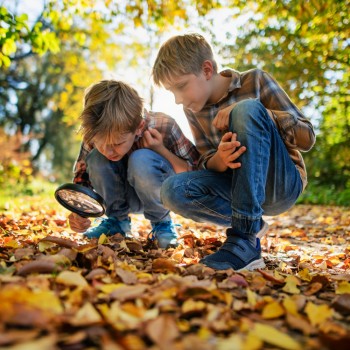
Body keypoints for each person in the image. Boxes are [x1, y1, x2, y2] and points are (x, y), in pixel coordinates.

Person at [152, 33, 316, 269]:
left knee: (247, 109)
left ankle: (245, 239)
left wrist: (263, 114)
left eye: (181, 87)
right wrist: (219, 159)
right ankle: (251, 222)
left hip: (280, 185)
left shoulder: (256, 81)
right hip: (237, 189)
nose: (178, 99)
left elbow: (307, 137)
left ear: (207, 70)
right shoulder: (193, 109)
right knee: (172, 190)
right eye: (172, 92)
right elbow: (205, 160)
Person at [69, 79, 200, 249]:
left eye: (117, 143)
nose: (109, 152)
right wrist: (79, 211)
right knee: (96, 157)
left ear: (139, 127)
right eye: (101, 143)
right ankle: (117, 222)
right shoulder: (94, 131)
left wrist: (159, 149)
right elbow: (82, 177)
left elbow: (195, 171)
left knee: (141, 159)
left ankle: (162, 224)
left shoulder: (163, 125)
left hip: (160, 194)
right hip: (120, 196)